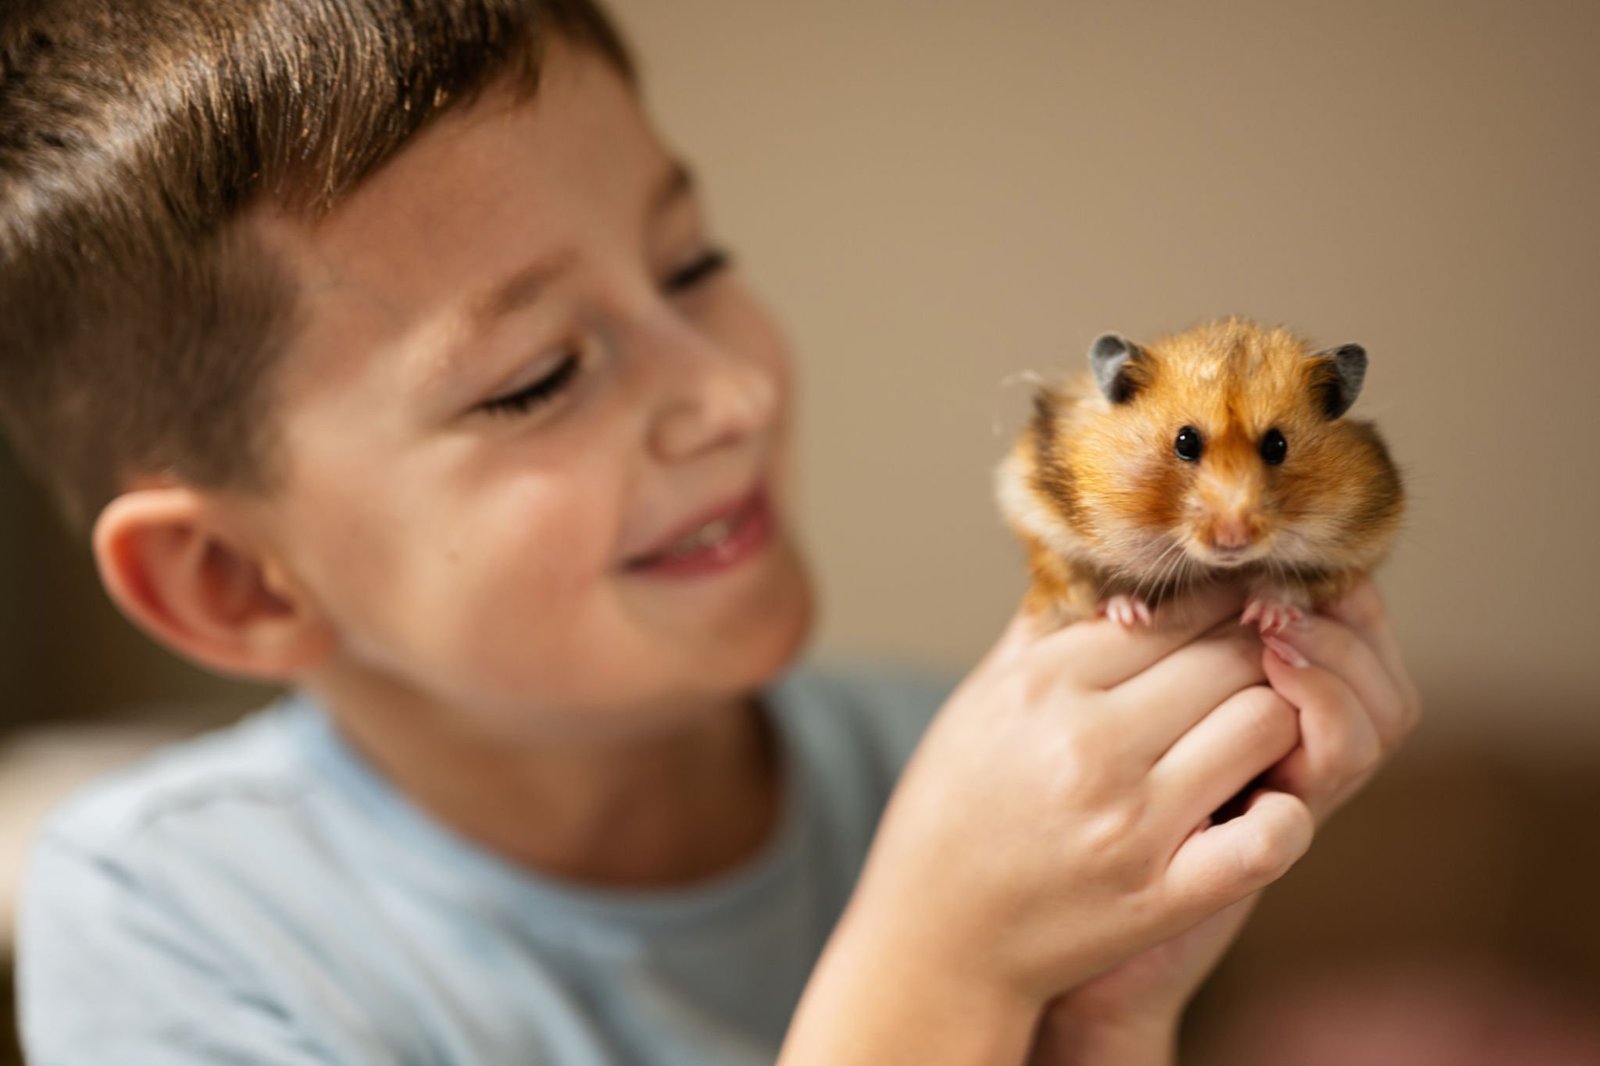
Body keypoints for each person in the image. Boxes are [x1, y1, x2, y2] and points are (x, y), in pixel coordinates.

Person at [0, 1, 1420, 1063]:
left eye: (694, 263)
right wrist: (945, 962)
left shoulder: (934, 752)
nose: (730, 391)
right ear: (235, 579)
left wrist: (1113, 1014)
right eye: (537, 376)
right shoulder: (158, 919)